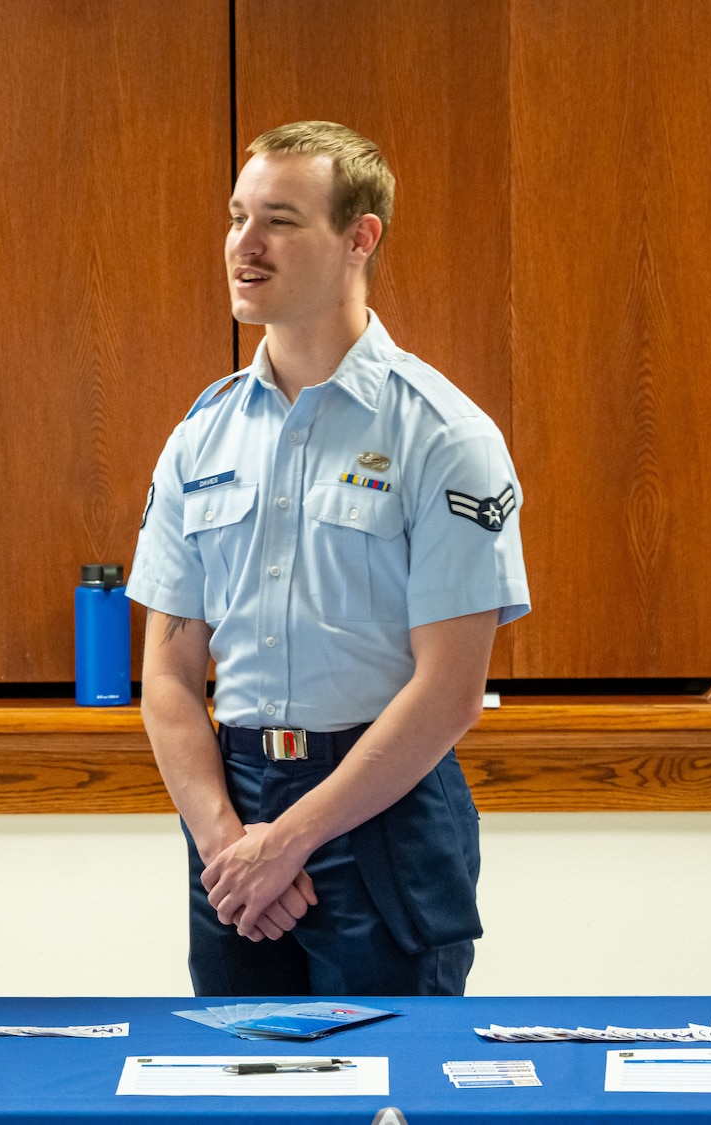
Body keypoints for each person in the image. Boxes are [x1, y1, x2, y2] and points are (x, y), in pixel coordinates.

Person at [130, 121, 530, 997]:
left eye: (280, 219)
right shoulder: (201, 437)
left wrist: (291, 838)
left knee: (387, 1084)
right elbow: (167, 673)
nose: (246, 243)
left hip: (382, 813)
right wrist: (231, 843)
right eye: (237, 217)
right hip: (230, 810)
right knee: (235, 1088)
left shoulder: (442, 434)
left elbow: (451, 691)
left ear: (361, 238)